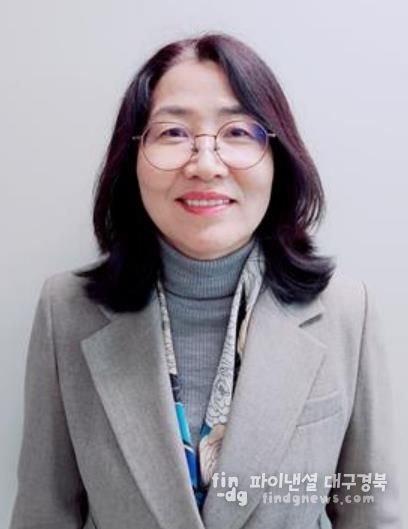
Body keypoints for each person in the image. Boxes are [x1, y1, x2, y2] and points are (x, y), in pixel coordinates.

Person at [9, 32, 401, 529]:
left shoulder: (347, 311)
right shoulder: (65, 311)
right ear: (133, 157)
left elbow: (372, 515)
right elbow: (43, 515)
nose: (207, 165)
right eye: (173, 133)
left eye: (238, 131)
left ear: (278, 157)